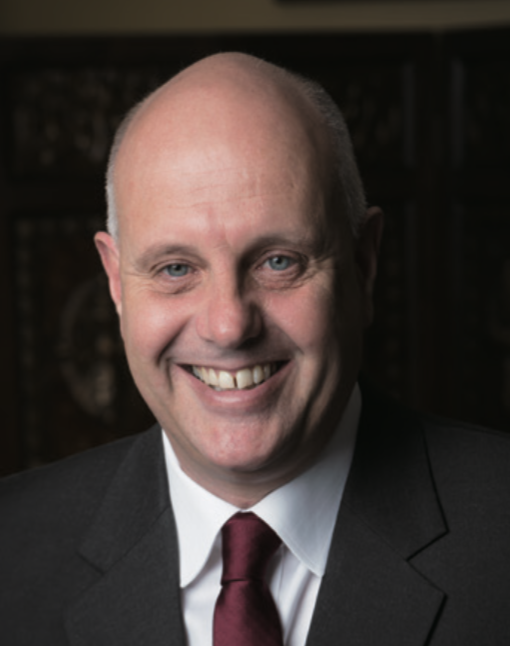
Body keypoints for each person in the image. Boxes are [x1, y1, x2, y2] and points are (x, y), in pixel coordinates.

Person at [1, 52, 510, 646]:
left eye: (278, 261)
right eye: (175, 268)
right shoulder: (12, 549)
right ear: (116, 284)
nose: (228, 326)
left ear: (363, 265)